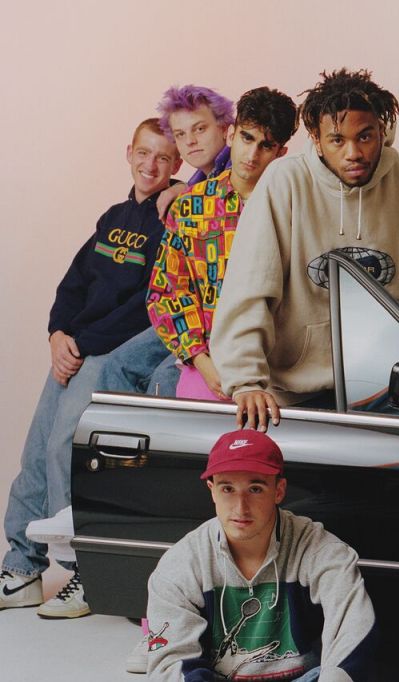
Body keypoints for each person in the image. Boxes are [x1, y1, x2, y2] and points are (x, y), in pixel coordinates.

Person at [209, 69, 399, 431]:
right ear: (316, 138)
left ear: (382, 131)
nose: (354, 153)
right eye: (337, 140)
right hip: (295, 393)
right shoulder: (285, 181)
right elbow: (250, 288)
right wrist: (245, 381)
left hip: (386, 389)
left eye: (365, 137)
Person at [0, 119, 180, 619]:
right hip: (73, 349)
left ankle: (83, 572)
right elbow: (74, 283)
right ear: (129, 152)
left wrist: (82, 344)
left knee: (68, 451)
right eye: (143, 153)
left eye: (163, 158)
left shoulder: (174, 218)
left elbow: (150, 305)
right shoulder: (113, 217)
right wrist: (58, 334)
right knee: (37, 452)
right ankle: (21, 568)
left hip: (105, 352)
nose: (150, 165)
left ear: (176, 165)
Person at [146, 429, 376, 680]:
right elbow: (171, 665)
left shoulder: (319, 550)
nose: (240, 507)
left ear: (279, 490)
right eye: (227, 489)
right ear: (212, 490)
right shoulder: (182, 564)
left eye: (255, 489)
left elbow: (353, 633)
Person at [146, 86, 298, 401]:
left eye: (266, 146)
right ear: (231, 134)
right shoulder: (192, 204)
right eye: (247, 138)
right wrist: (200, 360)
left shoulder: (294, 207)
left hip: (276, 373)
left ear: (281, 152)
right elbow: (167, 290)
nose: (252, 155)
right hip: (207, 365)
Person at [99, 84, 237, 398]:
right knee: (118, 364)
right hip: (185, 309)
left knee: (160, 379)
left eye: (199, 129)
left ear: (225, 129)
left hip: (214, 318)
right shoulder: (194, 185)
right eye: (180, 134)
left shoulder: (237, 175)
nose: (190, 141)